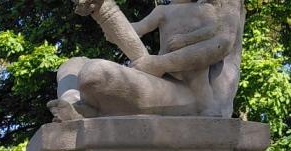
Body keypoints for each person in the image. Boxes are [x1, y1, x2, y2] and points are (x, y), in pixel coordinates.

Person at [49, 0, 245, 120]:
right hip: (159, 78)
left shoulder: (208, 11)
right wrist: (104, 12)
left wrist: (159, 63)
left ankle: (85, 107)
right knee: (74, 64)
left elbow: (220, 43)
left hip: (187, 90)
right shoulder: (164, 11)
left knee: (95, 73)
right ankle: (73, 105)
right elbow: (131, 31)